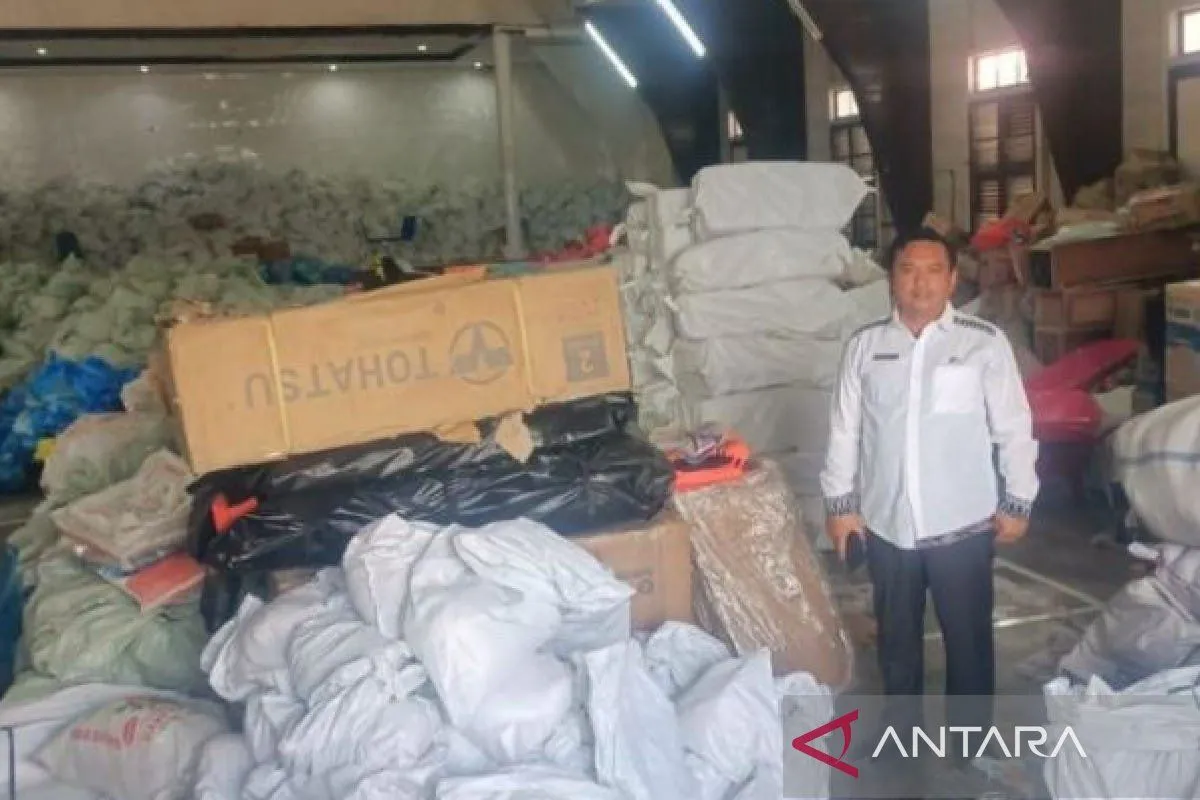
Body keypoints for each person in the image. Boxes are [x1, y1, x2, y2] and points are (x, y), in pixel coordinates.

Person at [819, 227, 1039, 756]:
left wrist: (1018, 500)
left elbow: (1013, 426)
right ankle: (902, 734)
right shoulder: (866, 347)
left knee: (968, 641)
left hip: (962, 524)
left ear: (953, 279)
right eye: (908, 270)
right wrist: (840, 506)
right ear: (891, 278)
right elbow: (845, 431)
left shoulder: (982, 343)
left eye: (933, 270)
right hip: (888, 525)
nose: (920, 283)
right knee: (897, 641)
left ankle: (970, 743)